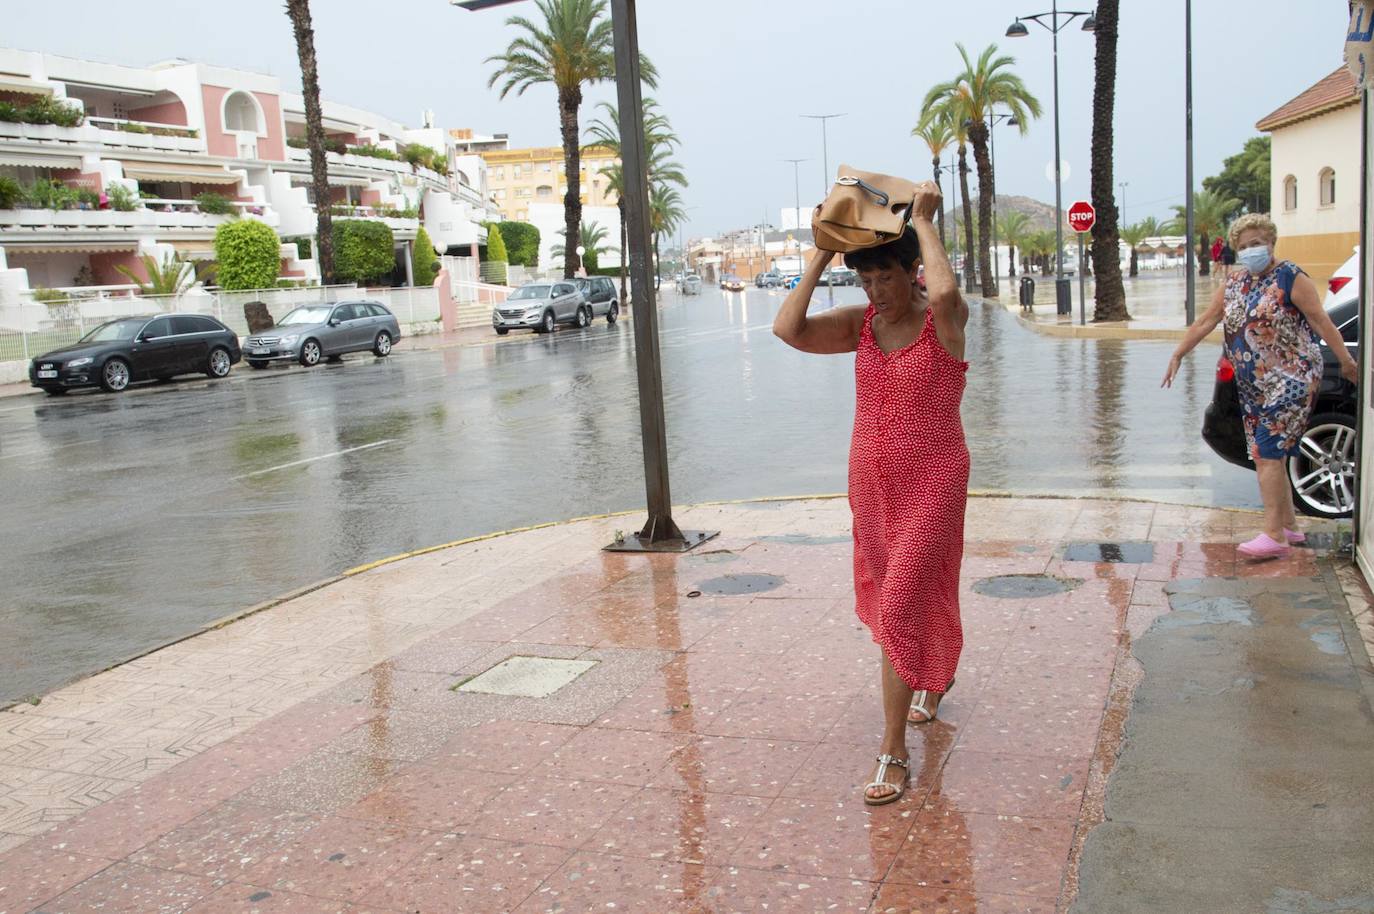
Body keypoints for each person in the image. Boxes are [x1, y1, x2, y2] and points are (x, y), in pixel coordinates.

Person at [773, 182, 969, 805]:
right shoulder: (860, 325)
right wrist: (825, 251)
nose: (876, 292)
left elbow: (943, 291)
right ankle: (930, 678)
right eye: (867, 281)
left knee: (901, 600)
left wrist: (926, 222)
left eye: (885, 277)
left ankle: (892, 751)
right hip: (873, 485)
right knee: (916, 591)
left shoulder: (944, 323)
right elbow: (789, 328)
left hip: (934, 477)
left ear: (910, 271)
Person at [1162, 213, 1357, 558]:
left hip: (1292, 379)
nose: (1251, 250)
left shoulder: (1290, 277)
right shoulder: (1235, 283)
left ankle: (1273, 537)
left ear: (1271, 242)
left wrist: (1345, 361)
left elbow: (1320, 320)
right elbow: (1207, 319)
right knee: (1269, 455)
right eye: (1244, 245)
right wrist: (1179, 353)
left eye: (1257, 243)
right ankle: (1289, 527)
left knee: (1267, 453)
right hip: (1255, 385)